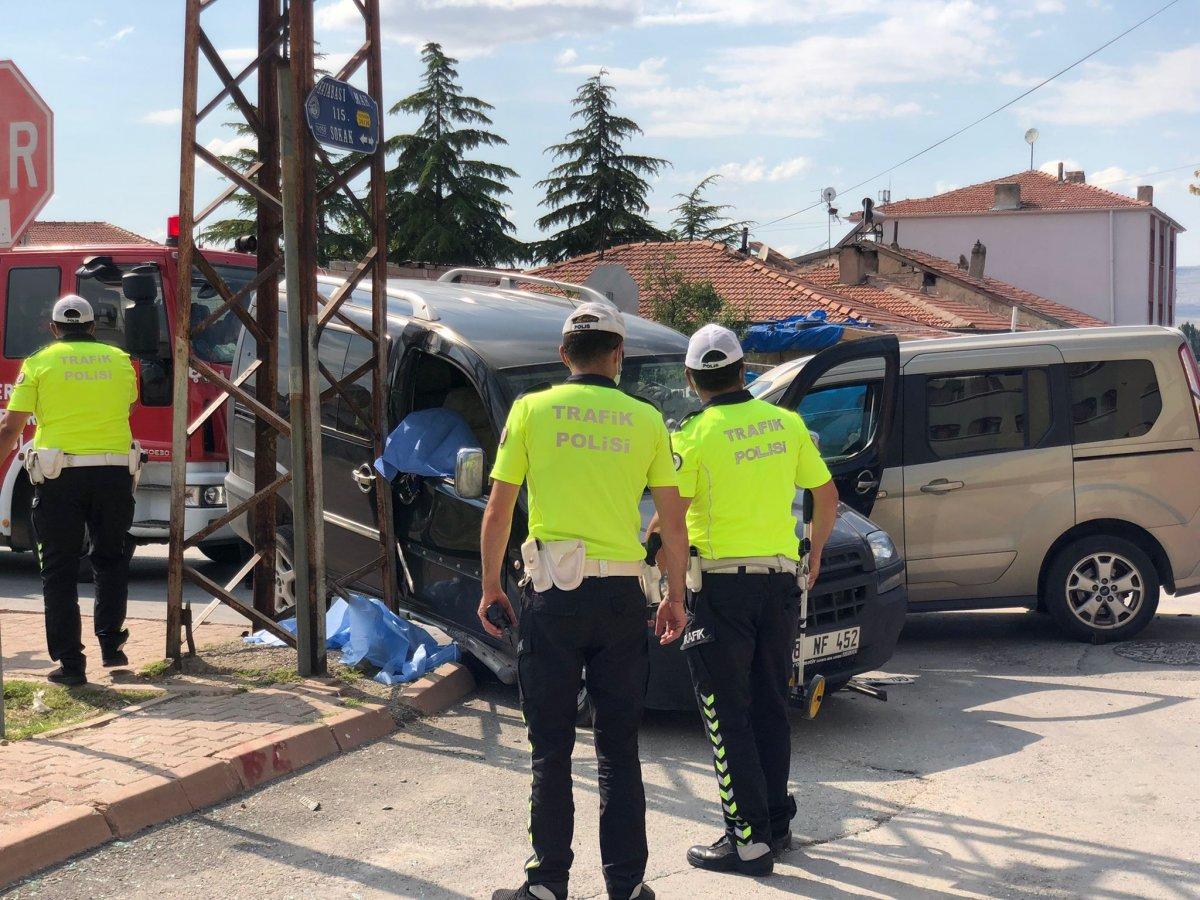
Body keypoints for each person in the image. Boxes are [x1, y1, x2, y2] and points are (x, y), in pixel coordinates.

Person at [478, 302, 690, 900]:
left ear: (564, 353)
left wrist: (491, 584)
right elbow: (672, 521)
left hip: (552, 597)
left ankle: (546, 886)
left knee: (551, 748)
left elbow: (499, 510)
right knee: (620, 751)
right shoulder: (647, 420)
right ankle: (626, 890)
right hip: (624, 600)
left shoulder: (530, 411)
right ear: (618, 357)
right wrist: (674, 595)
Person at [653, 323, 839, 878]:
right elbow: (825, 495)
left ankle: (747, 842)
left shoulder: (693, 435)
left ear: (691, 380)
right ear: (744, 370)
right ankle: (776, 824)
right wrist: (816, 552)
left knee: (723, 711)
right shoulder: (786, 423)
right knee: (769, 705)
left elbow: (674, 524)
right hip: (781, 584)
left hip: (722, 590)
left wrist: (673, 591)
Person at [0, 296, 139, 686]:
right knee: (110, 559)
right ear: (95, 327)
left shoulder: (40, 362)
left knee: (58, 571)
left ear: (54, 328)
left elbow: (12, 429)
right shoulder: (119, 361)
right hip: (114, 475)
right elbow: (127, 409)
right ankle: (112, 647)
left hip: (60, 477)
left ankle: (72, 666)